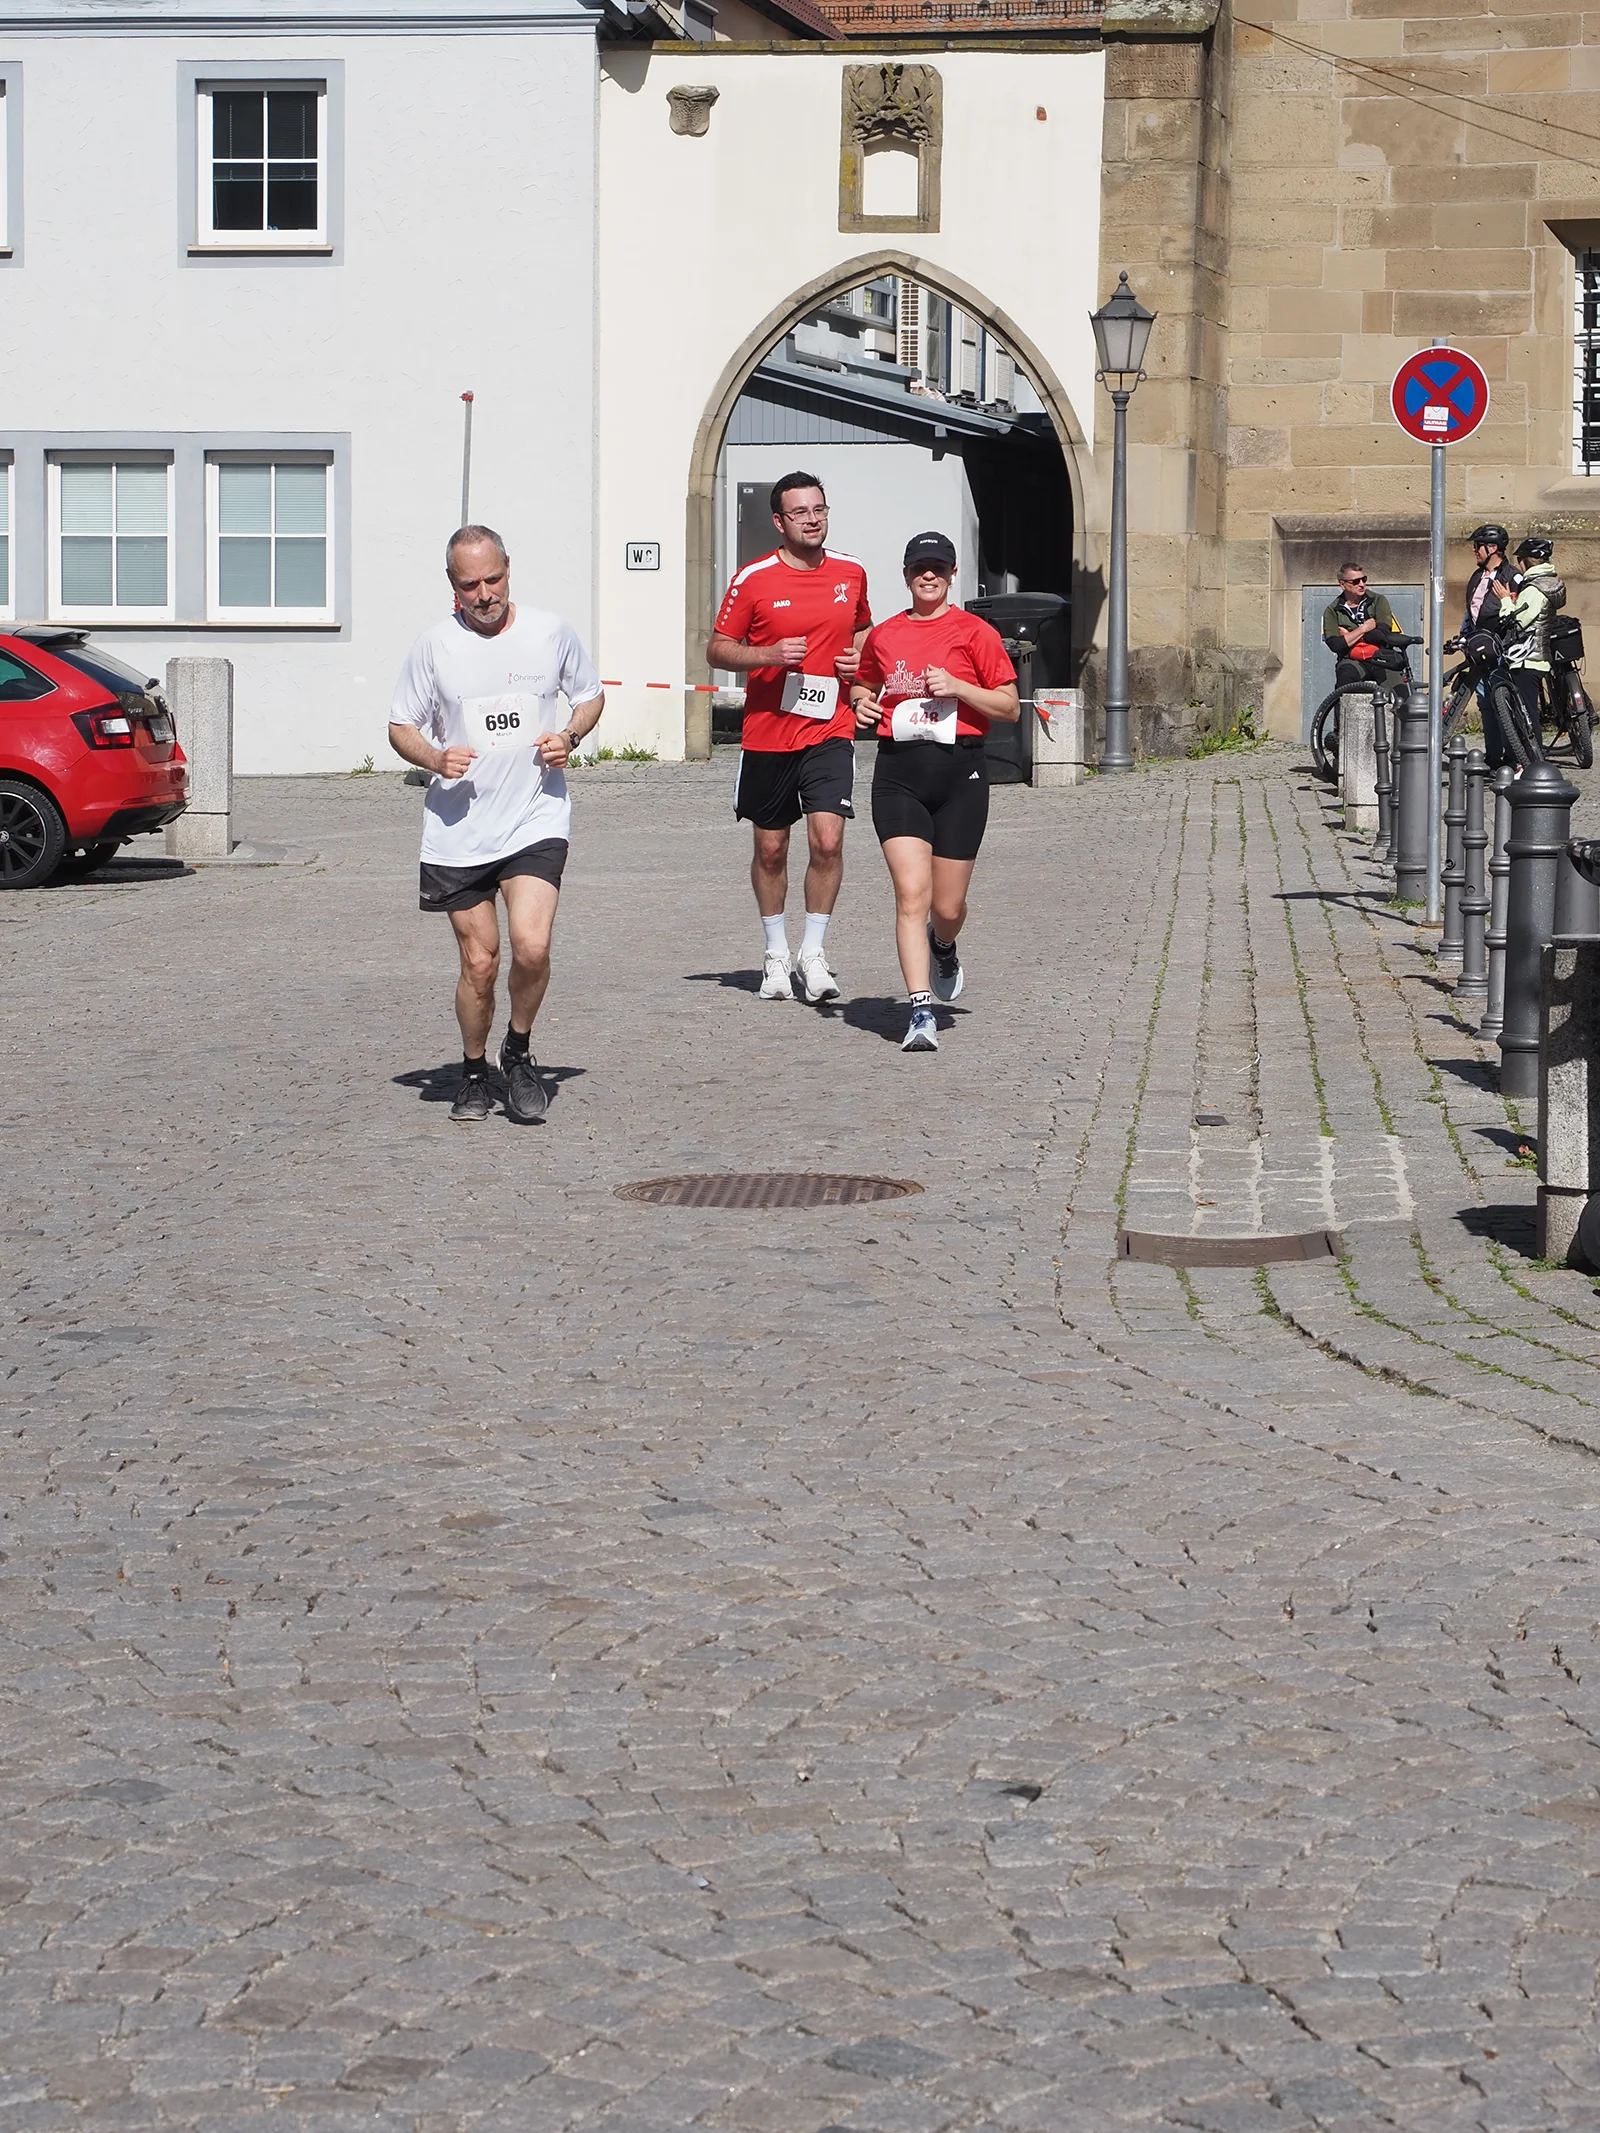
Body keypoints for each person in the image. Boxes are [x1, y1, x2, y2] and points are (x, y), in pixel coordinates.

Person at [388, 525, 604, 1124]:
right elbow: (400, 725)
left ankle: (520, 1049)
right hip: (460, 828)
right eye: (470, 585)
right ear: (452, 585)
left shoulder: (550, 632)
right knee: (480, 965)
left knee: (532, 946)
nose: (484, 594)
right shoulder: (434, 646)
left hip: (536, 815)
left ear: (509, 568)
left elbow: (589, 695)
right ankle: (474, 1072)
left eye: (493, 579)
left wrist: (569, 736)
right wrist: (435, 759)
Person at [849, 531, 1019, 1053]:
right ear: (906, 576)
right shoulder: (884, 635)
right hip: (899, 773)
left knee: (947, 906)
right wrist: (860, 702)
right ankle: (920, 1010)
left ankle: (943, 944)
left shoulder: (976, 633)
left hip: (960, 774)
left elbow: (1010, 707)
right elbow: (863, 683)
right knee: (911, 895)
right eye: (920, 567)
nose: (929, 575)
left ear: (952, 575)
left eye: (938, 568)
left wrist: (960, 688)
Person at [707, 473, 871, 1005]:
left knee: (827, 841)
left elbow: (864, 629)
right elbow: (717, 648)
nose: (812, 520)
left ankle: (813, 953)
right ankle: (776, 953)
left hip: (830, 728)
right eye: (800, 512)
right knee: (772, 848)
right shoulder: (753, 578)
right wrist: (769, 655)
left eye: (819, 509)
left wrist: (860, 664)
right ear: (779, 522)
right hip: (769, 734)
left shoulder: (851, 571)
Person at [1458, 523, 1519, 767]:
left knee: (1503, 703)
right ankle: (1494, 756)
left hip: (1502, 649)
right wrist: (1464, 636)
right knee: (1485, 704)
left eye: (1478, 546)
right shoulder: (1477, 576)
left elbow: (1517, 613)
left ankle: (1512, 756)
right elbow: (1471, 611)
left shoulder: (1511, 576)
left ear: (1492, 548)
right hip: (1479, 648)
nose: (1474, 550)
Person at [1501, 534, 1566, 750]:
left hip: (1526, 658)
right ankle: (1531, 759)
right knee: (1528, 712)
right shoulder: (1547, 584)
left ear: (1524, 562)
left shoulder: (1533, 589)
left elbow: (1518, 623)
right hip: (1538, 656)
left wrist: (1505, 601)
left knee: (1527, 715)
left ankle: (1533, 760)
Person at [1322, 564, 1402, 689]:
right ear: (1343, 584)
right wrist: (1364, 628)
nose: (1362, 584)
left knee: (1402, 694)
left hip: (1381, 657)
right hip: (1352, 660)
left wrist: (1349, 636)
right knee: (1344, 683)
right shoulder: (1332, 610)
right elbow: (1335, 644)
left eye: (1364, 579)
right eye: (1356, 581)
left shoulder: (1378, 600)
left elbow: (1382, 635)